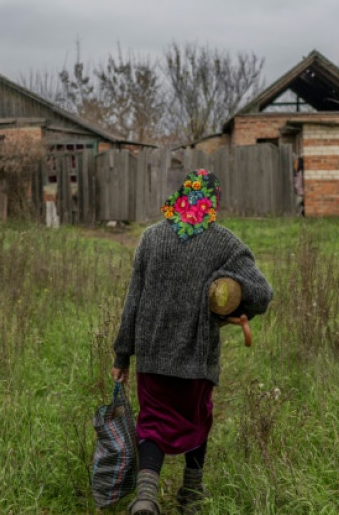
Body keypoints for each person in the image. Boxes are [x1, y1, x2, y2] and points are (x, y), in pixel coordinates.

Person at [111, 169, 273, 515]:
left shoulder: (150, 238)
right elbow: (262, 294)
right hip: (196, 359)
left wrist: (122, 355)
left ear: (181, 196)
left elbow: (132, 301)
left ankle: (145, 497)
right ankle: (191, 495)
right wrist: (226, 305)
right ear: (212, 202)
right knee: (198, 419)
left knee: (152, 421)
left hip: (152, 356)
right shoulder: (225, 243)